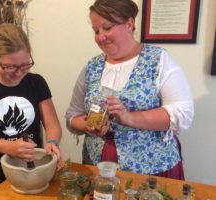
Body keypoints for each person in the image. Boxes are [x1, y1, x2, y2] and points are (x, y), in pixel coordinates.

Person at [65, 0, 194, 180]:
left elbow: (183, 114)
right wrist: (87, 125)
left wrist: (129, 117)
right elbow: (72, 116)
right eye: (96, 30)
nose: (100, 37)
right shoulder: (91, 67)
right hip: (98, 168)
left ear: (129, 24)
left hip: (152, 171)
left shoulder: (158, 60)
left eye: (107, 27)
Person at [0, 23, 62, 193]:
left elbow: (52, 124)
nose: (18, 73)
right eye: (9, 67)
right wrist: (8, 147)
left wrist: (52, 142)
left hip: (34, 174)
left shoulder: (36, 82)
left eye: (25, 65)